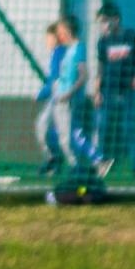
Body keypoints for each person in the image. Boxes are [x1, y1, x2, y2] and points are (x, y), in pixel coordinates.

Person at [54, 17, 108, 177]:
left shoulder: (78, 48)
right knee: (68, 134)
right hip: (61, 97)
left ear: (68, 30)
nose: (59, 35)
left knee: (70, 136)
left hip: (68, 99)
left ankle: (84, 164)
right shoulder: (68, 50)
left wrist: (69, 93)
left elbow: (84, 75)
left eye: (61, 31)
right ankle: (92, 162)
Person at [92, 4, 135, 175]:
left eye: (106, 21)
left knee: (129, 126)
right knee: (102, 125)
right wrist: (97, 91)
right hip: (107, 90)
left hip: (127, 90)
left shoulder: (132, 36)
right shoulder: (103, 41)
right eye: (101, 23)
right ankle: (101, 163)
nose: (104, 26)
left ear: (116, 19)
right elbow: (100, 67)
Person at [34, 24, 72, 175]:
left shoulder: (59, 52)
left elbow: (55, 79)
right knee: (46, 127)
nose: (46, 41)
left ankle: (67, 163)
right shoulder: (57, 53)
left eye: (48, 38)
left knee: (50, 127)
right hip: (57, 96)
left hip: (60, 97)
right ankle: (54, 160)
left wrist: (41, 93)